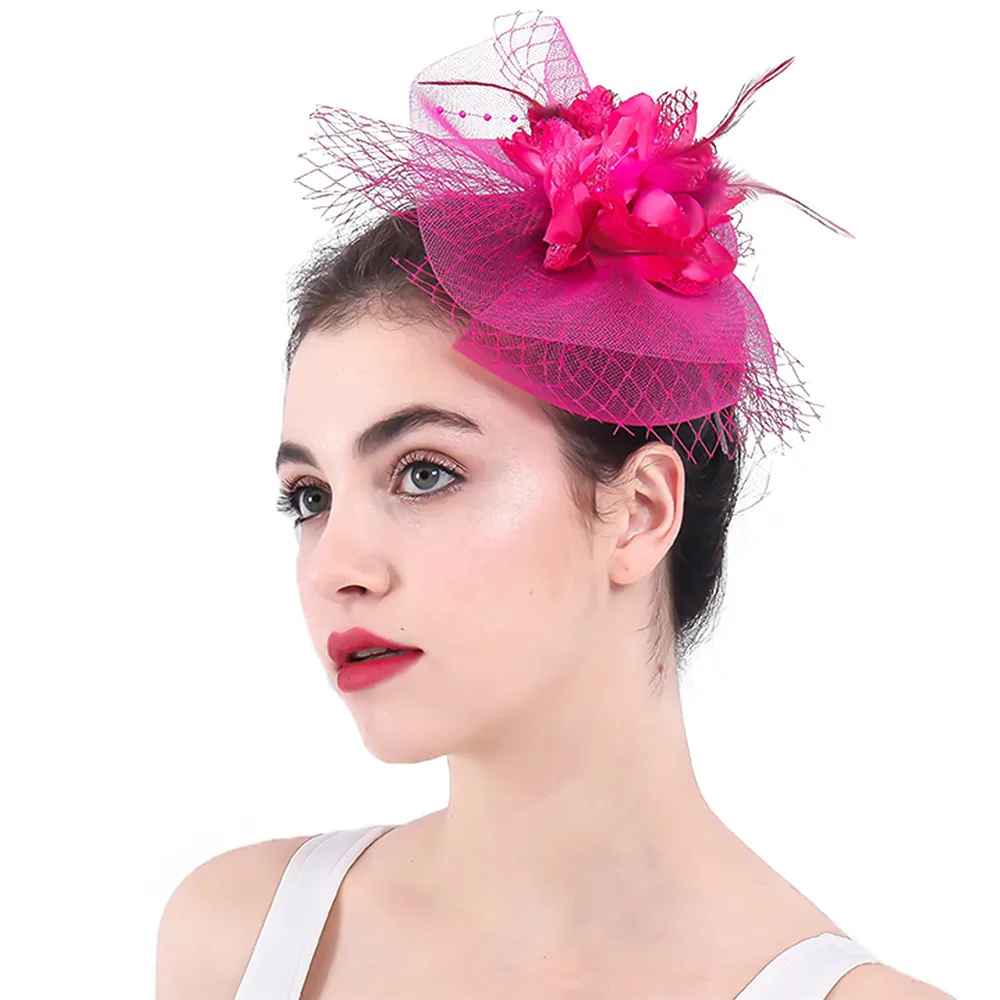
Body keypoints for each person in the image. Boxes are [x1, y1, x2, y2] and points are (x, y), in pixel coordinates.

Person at [156, 12, 954, 1000]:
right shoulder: (238, 939)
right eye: (309, 497)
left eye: (423, 472)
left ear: (640, 511)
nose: (334, 567)